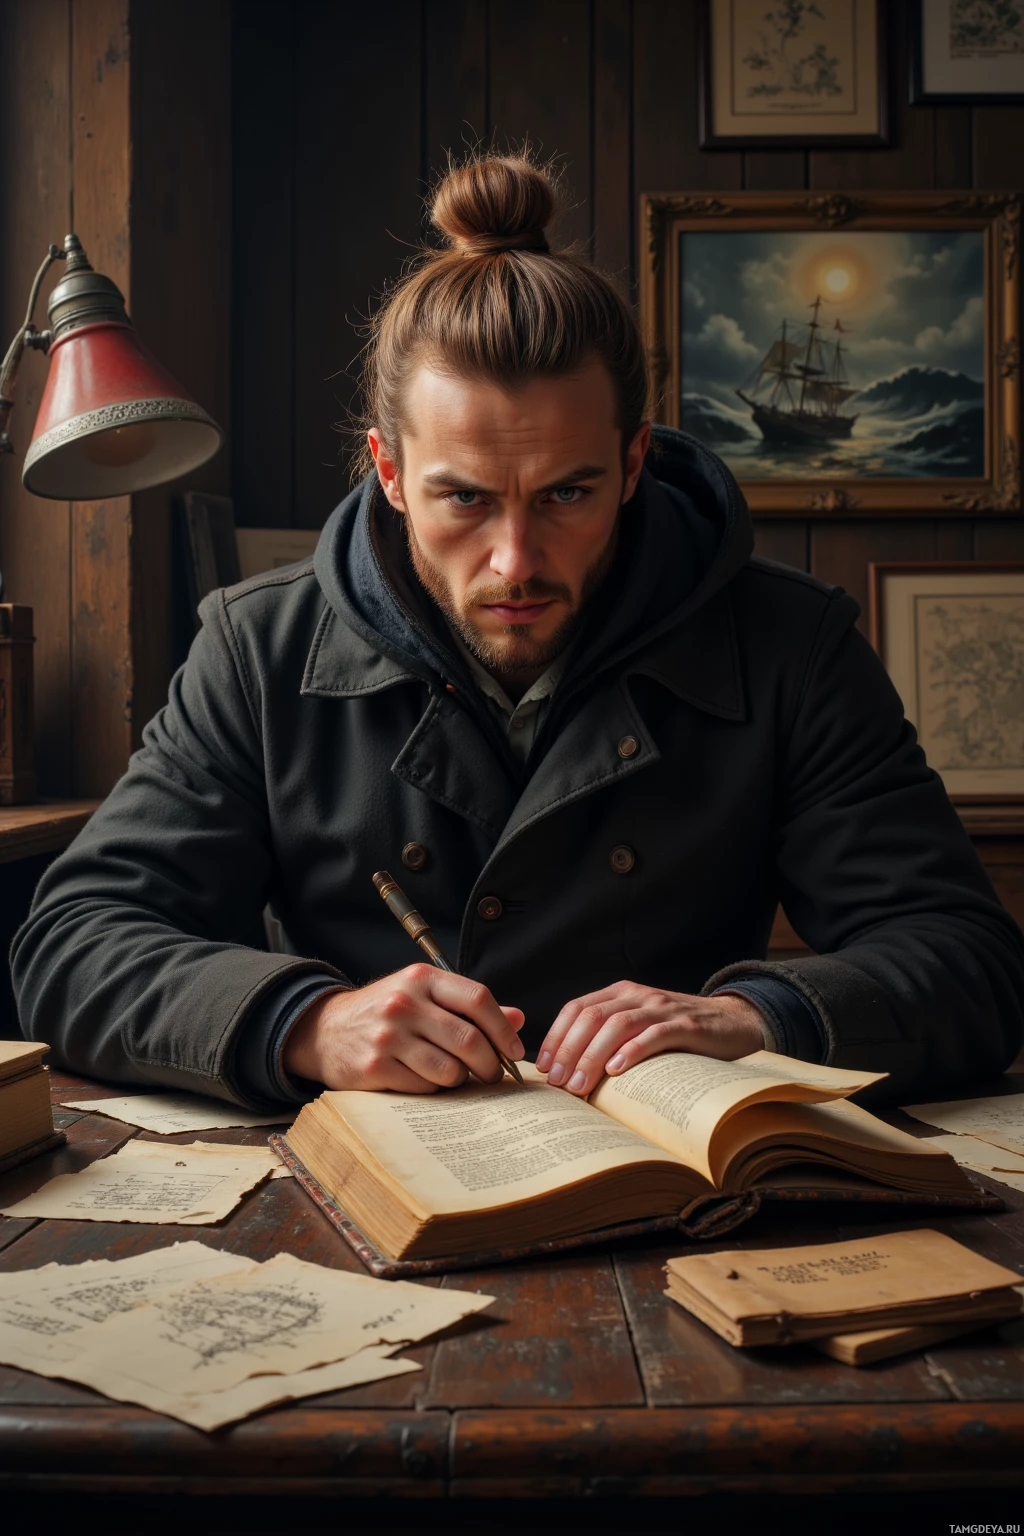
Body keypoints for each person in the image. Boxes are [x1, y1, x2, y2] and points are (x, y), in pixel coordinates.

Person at [12, 153, 1024, 1108]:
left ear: (633, 467)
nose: (514, 562)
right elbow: (72, 942)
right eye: (463, 499)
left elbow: (969, 960)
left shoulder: (790, 645)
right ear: (390, 474)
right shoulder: (255, 650)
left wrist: (755, 1016)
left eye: (566, 495)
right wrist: (305, 1021)